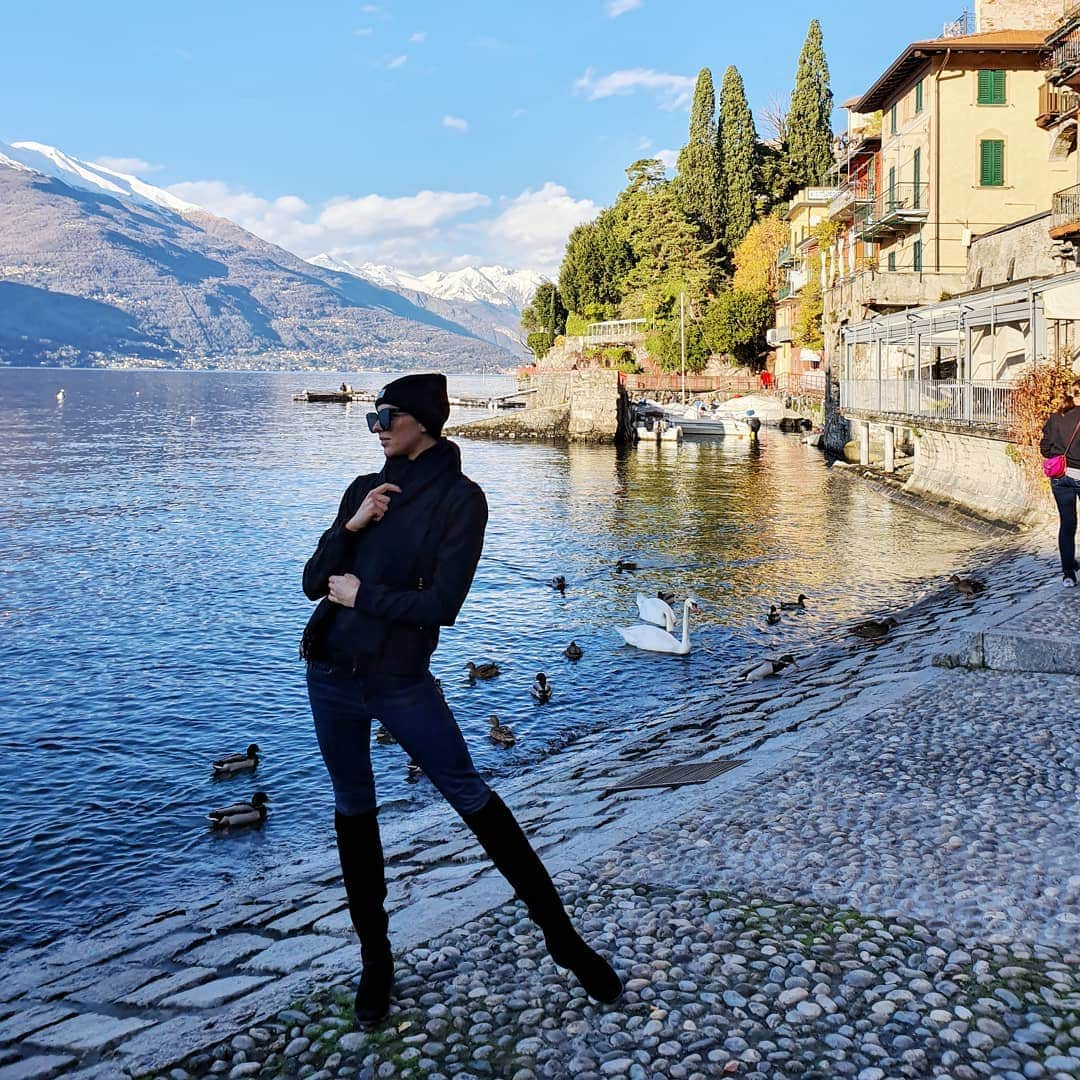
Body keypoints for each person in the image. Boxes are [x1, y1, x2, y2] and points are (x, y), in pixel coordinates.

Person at [301, 373, 621, 1027]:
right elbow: (313, 582)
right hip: (330, 673)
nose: (379, 427)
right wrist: (351, 527)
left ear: (422, 420)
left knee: (472, 795)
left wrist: (365, 597)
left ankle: (563, 941)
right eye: (373, 418)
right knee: (353, 812)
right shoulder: (364, 491)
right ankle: (376, 965)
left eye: (388, 416)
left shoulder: (460, 501)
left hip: (400, 680)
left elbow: (442, 606)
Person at [1040, 380, 1080, 587]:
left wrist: (1059, 455)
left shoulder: (1056, 417)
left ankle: (1068, 574)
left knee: (1067, 524)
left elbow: (1045, 448)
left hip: (1059, 477)